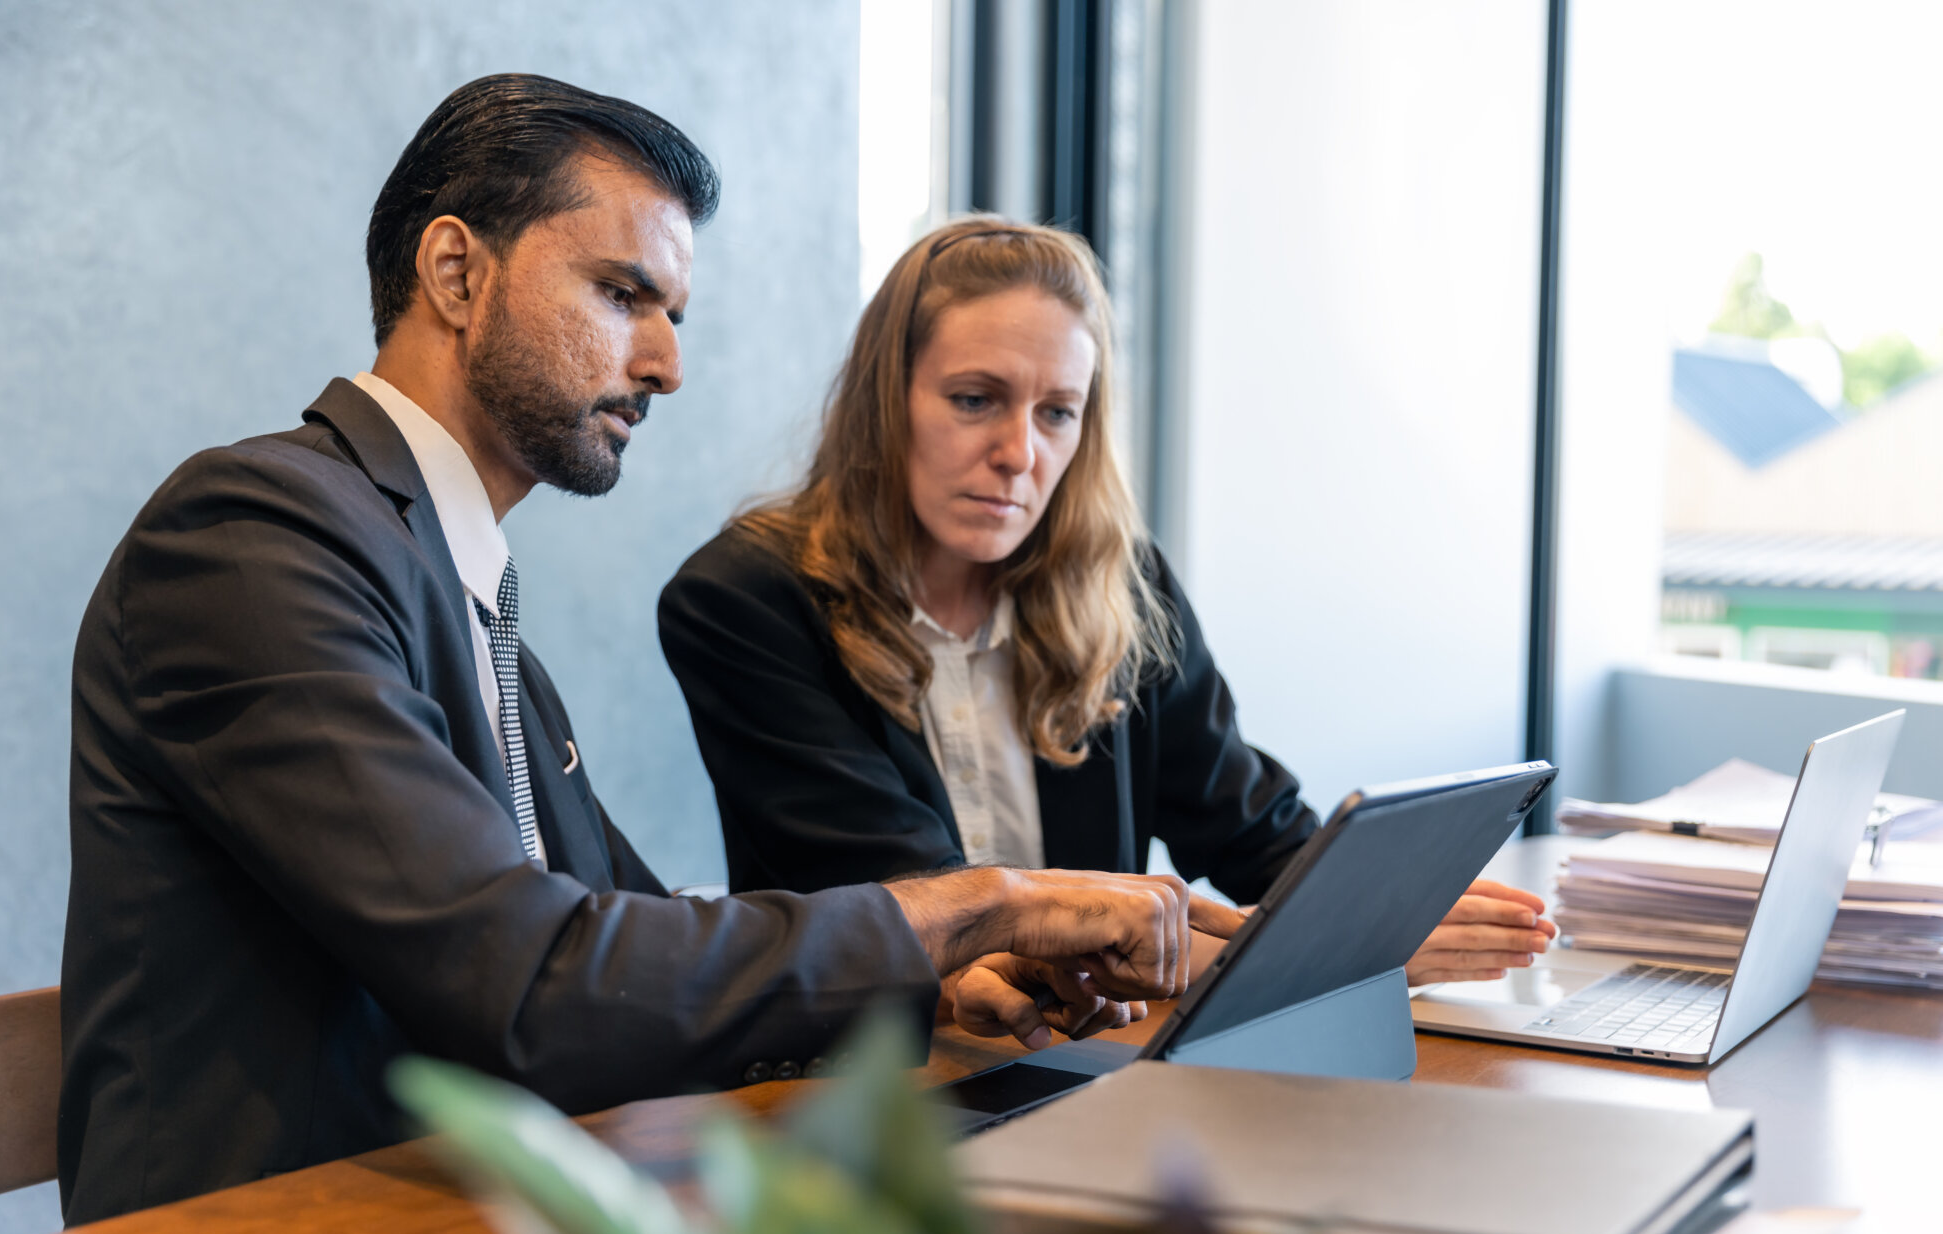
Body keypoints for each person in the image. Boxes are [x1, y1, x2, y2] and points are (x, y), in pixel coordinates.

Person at [56, 77, 1240, 1234]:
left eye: (672, 312)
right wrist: (977, 902)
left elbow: (628, 935)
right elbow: (532, 978)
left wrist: (922, 982)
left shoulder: (455, 580)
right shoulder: (256, 535)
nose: (665, 363)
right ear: (457, 274)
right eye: (623, 295)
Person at [658, 218, 1557, 1048]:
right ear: (883, 403)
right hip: (880, 1081)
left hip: (1092, 1054)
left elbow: (1251, 830)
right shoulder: (745, 599)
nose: (1020, 452)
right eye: (975, 400)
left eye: (1057, 412)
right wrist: (1304, 949)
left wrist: (1379, 913)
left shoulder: (1119, 583)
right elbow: (923, 901)